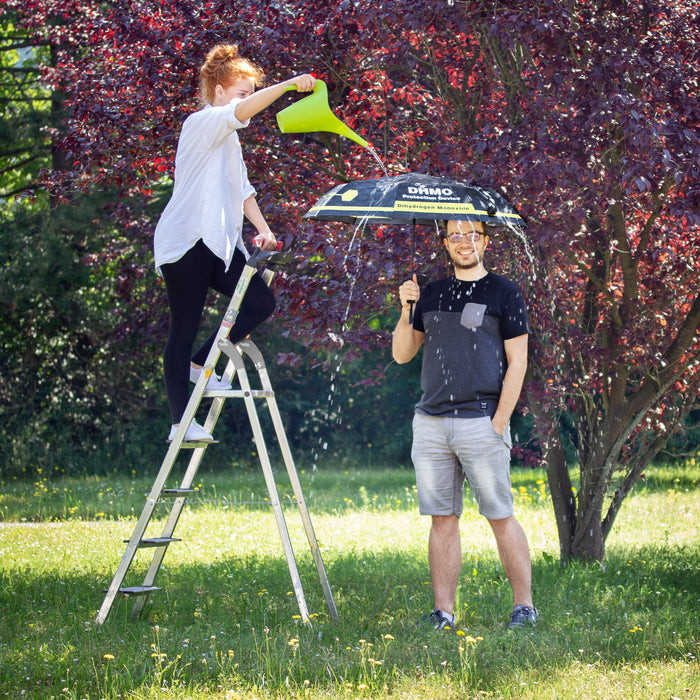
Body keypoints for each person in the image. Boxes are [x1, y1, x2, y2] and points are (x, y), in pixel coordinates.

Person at [153, 44, 315, 443]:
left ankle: (199, 365)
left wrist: (264, 229)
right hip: (186, 242)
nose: (246, 102)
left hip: (218, 245)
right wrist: (289, 85)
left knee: (260, 302)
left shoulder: (229, 140)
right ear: (219, 91)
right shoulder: (202, 122)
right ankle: (179, 424)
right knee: (183, 327)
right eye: (241, 93)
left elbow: (242, 189)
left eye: (248, 93)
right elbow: (240, 112)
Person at [392, 218, 538, 631]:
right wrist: (406, 309)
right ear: (445, 243)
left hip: (481, 423)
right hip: (431, 423)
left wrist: (499, 422)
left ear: (486, 241)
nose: (464, 242)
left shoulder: (505, 292)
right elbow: (402, 354)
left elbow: (519, 362)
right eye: (455, 235)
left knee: (499, 515)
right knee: (442, 519)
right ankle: (444, 613)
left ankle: (524, 608)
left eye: (473, 234)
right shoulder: (430, 293)